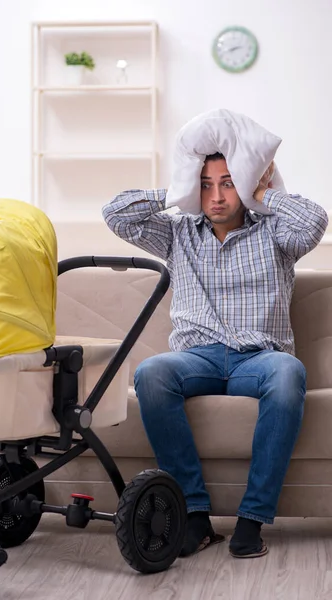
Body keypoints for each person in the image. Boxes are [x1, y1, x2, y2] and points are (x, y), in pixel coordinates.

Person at [102, 153, 329, 559]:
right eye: (206, 184)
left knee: (288, 372)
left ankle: (252, 519)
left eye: (228, 183)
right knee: (152, 372)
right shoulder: (177, 233)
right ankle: (193, 517)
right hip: (197, 358)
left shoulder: (275, 234)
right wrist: (178, 190)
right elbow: (116, 213)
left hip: (259, 358)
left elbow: (314, 221)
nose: (217, 196)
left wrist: (261, 192)